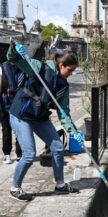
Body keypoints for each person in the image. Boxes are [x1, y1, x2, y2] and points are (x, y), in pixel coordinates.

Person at [7, 42, 84, 201]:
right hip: (21, 114)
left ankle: (60, 184)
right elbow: (13, 58)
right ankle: (15, 187)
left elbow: (64, 114)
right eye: (69, 70)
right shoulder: (38, 67)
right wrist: (14, 49)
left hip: (39, 116)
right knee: (29, 154)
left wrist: (74, 133)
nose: (71, 74)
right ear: (61, 65)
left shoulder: (64, 87)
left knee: (57, 146)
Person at [0, 61, 23, 164]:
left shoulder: (23, 66)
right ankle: (7, 154)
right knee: (6, 128)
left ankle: (19, 154)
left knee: (19, 129)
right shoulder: (3, 67)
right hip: (5, 101)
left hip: (19, 101)